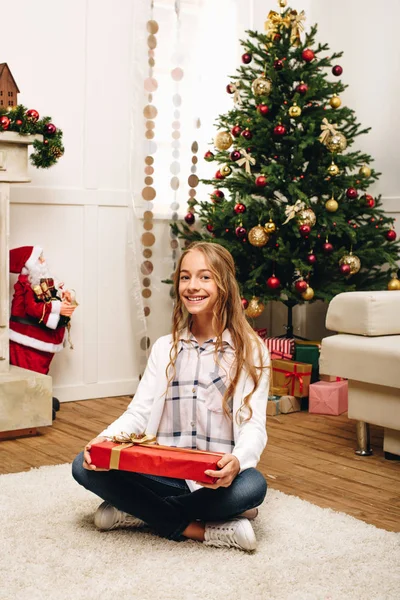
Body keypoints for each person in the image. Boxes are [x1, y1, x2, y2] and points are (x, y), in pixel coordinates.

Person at [72, 241, 270, 551]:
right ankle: (200, 530)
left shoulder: (252, 351)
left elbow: (254, 425)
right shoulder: (165, 347)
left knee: (253, 487)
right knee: (83, 465)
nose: (193, 286)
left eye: (205, 277)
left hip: (215, 479)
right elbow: (138, 413)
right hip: (164, 475)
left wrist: (237, 462)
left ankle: (138, 510)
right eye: (185, 277)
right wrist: (103, 441)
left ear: (225, 285)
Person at [9, 245, 77, 415]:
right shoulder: (26, 284)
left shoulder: (41, 282)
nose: (44, 261)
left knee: (41, 370)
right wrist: (58, 308)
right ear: (29, 264)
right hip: (27, 339)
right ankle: (31, 405)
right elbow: (32, 308)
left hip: (42, 338)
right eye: (39, 258)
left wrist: (66, 296)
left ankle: (40, 396)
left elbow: (52, 295)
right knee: (30, 372)